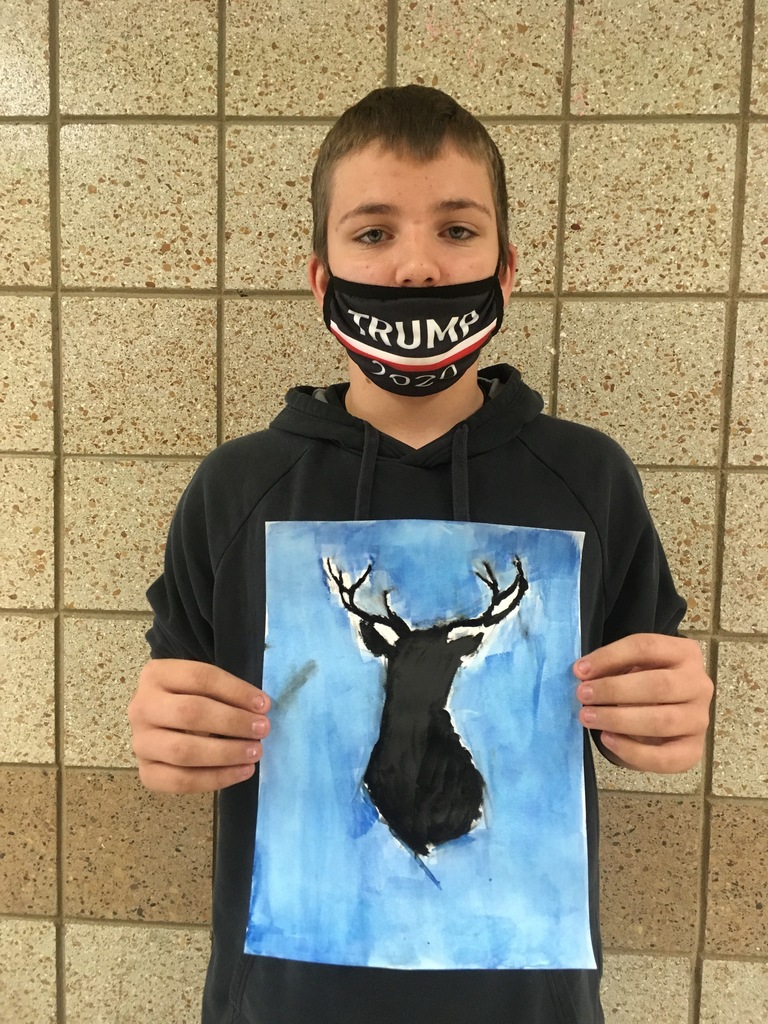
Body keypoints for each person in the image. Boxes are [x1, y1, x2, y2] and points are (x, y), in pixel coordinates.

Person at [128, 85, 713, 1024]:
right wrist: (166, 734)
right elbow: (180, 708)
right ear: (320, 277)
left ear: (506, 267)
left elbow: (637, 714)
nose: (415, 266)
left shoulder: (589, 480)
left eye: (456, 230)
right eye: (371, 234)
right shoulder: (235, 492)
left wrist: (668, 717)